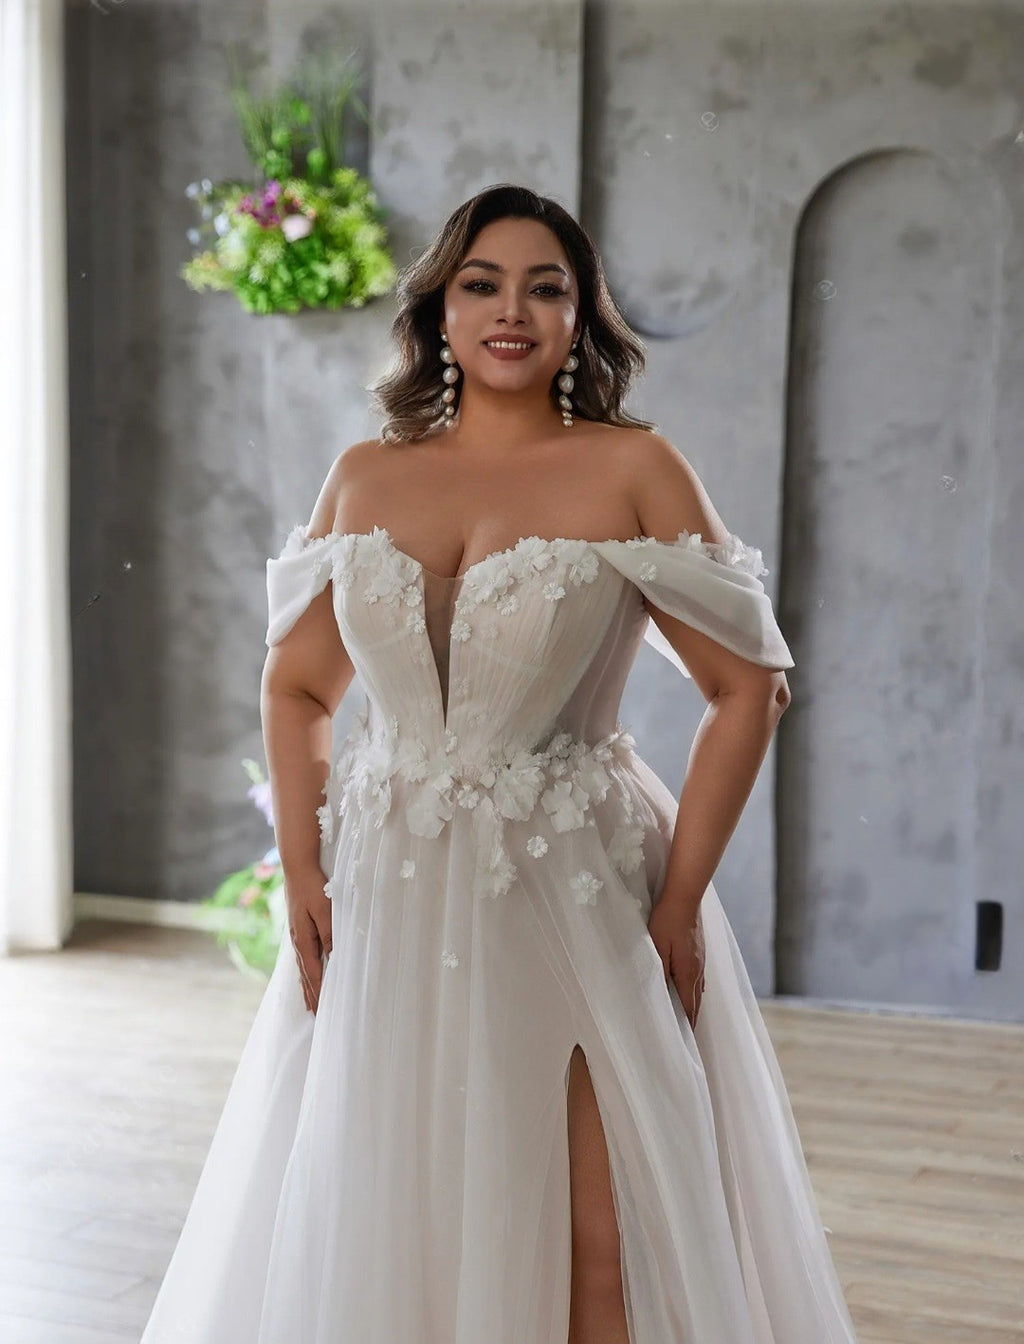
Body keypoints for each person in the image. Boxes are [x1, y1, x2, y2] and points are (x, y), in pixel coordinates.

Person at [140, 183, 861, 1343]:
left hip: (570, 881)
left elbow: (750, 688)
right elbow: (297, 686)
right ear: (437, 312)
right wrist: (304, 875)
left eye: (546, 286)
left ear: (583, 318)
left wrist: (677, 904)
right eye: (480, 284)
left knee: (596, 1224)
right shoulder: (368, 474)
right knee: (389, 1200)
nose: (510, 310)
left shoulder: (632, 467)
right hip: (386, 892)